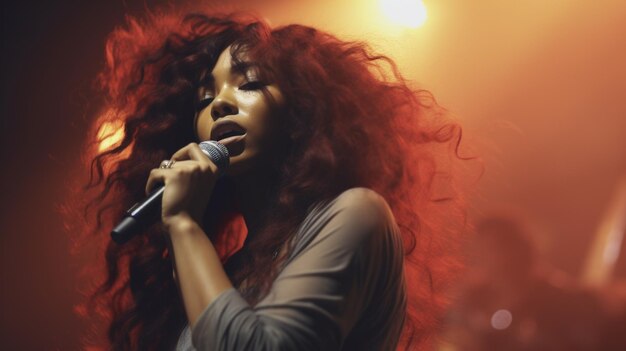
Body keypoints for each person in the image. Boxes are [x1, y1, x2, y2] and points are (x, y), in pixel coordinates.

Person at [72, 7, 467, 351]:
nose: (220, 104)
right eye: (204, 99)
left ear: (302, 109)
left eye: (249, 83)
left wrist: (183, 225)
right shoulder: (232, 270)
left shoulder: (356, 213)